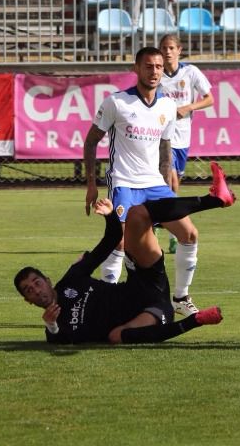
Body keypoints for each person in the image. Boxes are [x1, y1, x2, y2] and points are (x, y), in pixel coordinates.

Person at [15, 166, 234, 345]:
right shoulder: (54, 326)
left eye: (36, 282)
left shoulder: (72, 279)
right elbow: (60, 341)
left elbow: (110, 242)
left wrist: (110, 216)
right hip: (151, 313)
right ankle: (196, 320)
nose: (36, 289)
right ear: (28, 301)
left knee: (137, 214)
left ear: (47, 281)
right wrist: (51, 326)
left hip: (144, 285)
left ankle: (214, 199)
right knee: (116, 336)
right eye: (29, 290)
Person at [83, 46, 200, 316]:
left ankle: (181, 298)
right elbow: (91, 141)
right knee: (119, 241)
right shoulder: (117, 102)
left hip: (155, 186)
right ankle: (106, 301)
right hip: (124, 182)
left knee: (189, 234)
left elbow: (165, 142)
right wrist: (91, 184)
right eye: (148, 66)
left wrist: (167, 172)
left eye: (159, 67)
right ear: (136, 69)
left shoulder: (168, 105)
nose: (154, 72)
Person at [158, 34, 214, 252]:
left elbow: (209, 98)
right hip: (162, 137)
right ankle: (170, 230)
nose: (168, 51)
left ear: (179, 50)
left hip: (182, 137)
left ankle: (163, 223)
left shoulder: (190, 72)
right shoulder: (156, 74)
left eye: (171, 47)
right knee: (169, 182)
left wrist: (188, 107)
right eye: (164, 48)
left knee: (173, 185)